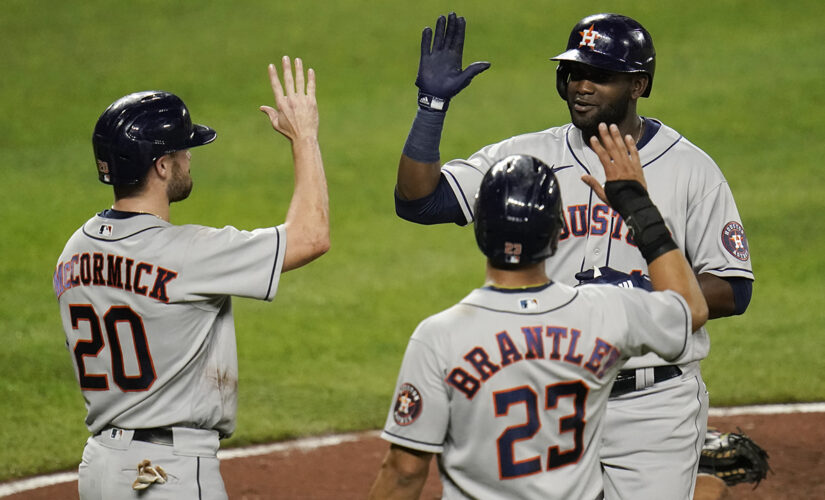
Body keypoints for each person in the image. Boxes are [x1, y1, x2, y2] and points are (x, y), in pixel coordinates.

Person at [392, 12, 754, 499]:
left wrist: (638, 298)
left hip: (652, 402)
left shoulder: (690, 168)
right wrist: (431, 107)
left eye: (599, 76)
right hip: (556, 391)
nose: (581, 86)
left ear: (638, 85)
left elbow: (734, 287)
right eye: (572, 73)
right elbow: (421, 201)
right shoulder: (525, 159)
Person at [369, 124, 709, 499]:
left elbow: (403, 472)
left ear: (480, 231)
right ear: (555, 233)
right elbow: (689, 308)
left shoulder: (439, 336)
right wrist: (637, 207)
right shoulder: (605, 313)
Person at [52, 56, 329, 499]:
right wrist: (305, 138)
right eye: (182, 151)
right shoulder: (189, 253)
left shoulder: (74, 252)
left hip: (100, 468)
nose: (188, 158)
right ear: (161, 166)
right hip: (166, 473)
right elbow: (311, 236)